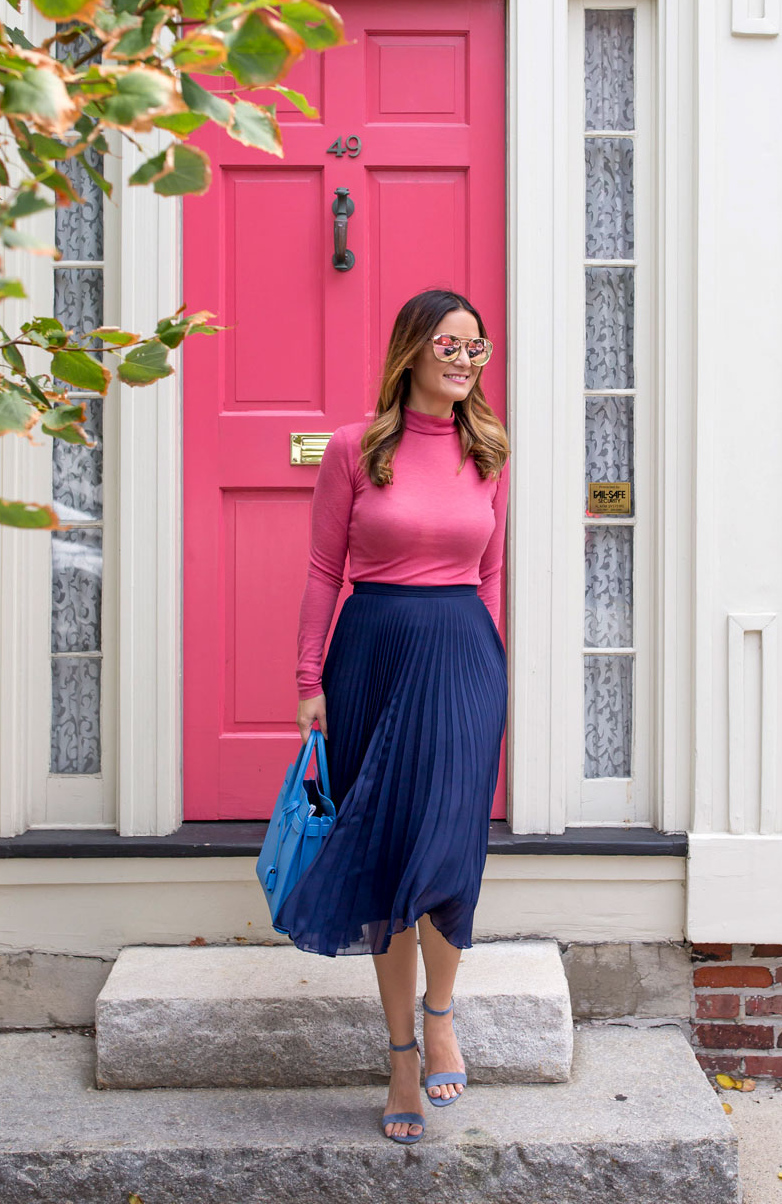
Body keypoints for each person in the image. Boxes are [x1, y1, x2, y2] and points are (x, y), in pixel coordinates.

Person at [274, 287, 511, 1146]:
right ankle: (402, 1055)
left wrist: (491, 664)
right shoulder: (355, 448)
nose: (463, 359)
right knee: (386, 856)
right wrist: (310, 678)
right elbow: (318, 570)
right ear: (412, 348)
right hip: (370, 651)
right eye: (449, 344)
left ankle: (441, 1010)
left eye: (475, 349)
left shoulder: (489, 449)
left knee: (448, 849)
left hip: (461, 656)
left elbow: (490, 574)